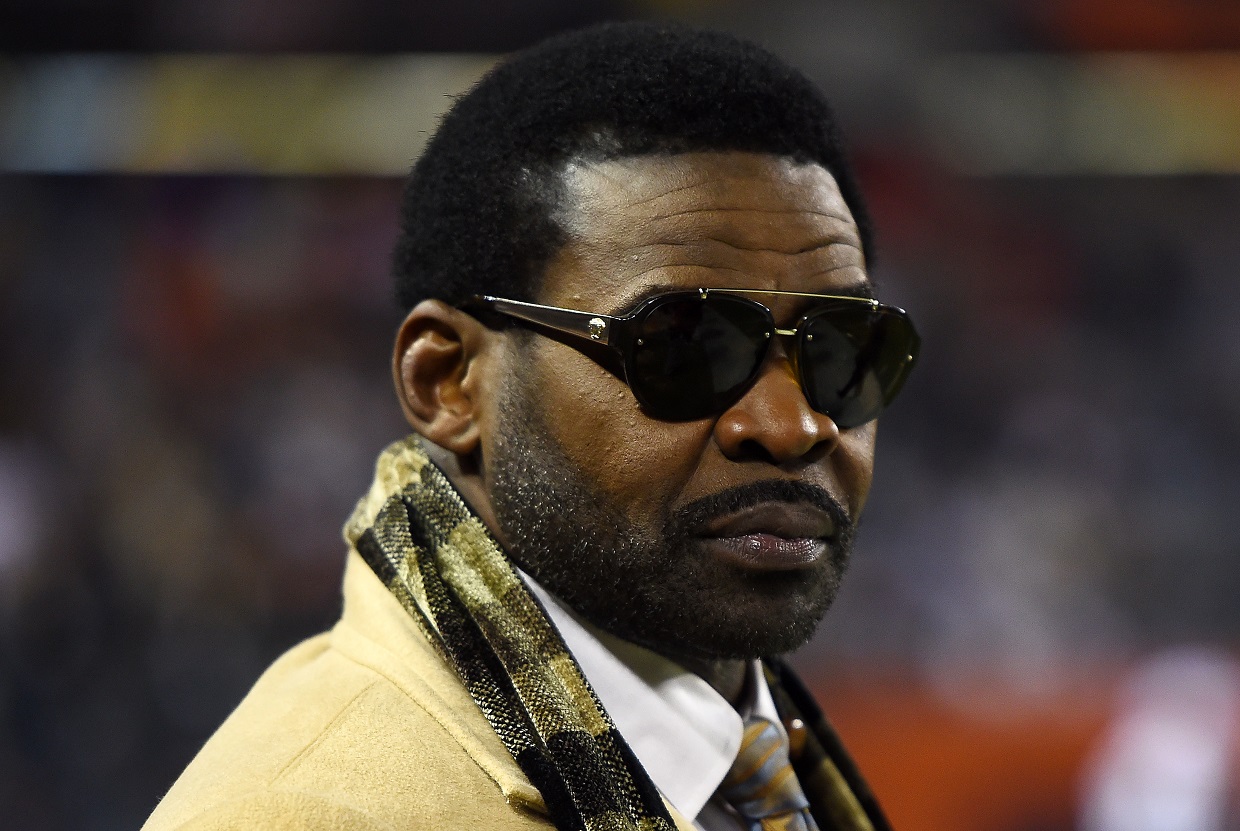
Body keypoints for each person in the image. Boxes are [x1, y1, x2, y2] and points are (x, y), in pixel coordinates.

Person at [143, 20, 919, 831]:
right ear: (447, 381)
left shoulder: (752, 763)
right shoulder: (304, 813)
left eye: (842, 350)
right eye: (685, 348)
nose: (794, 425)